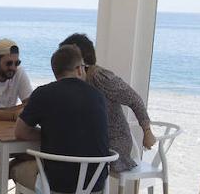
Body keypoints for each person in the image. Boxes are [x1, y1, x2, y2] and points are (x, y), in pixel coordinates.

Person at [13, 45, 111, 194]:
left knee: (15, 167)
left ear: (55, 72)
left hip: (61, 184)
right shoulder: (97, 96)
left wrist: (46, 133)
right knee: (67, 163)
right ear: (79, 69)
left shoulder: (44, 94)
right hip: (96, 185)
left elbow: (20, 132)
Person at [59, 34, 156, 171]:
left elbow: (135, 99)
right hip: (95, 139)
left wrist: (147, 131)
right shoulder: (76, 81)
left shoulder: (102, 78)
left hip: (114, 143)